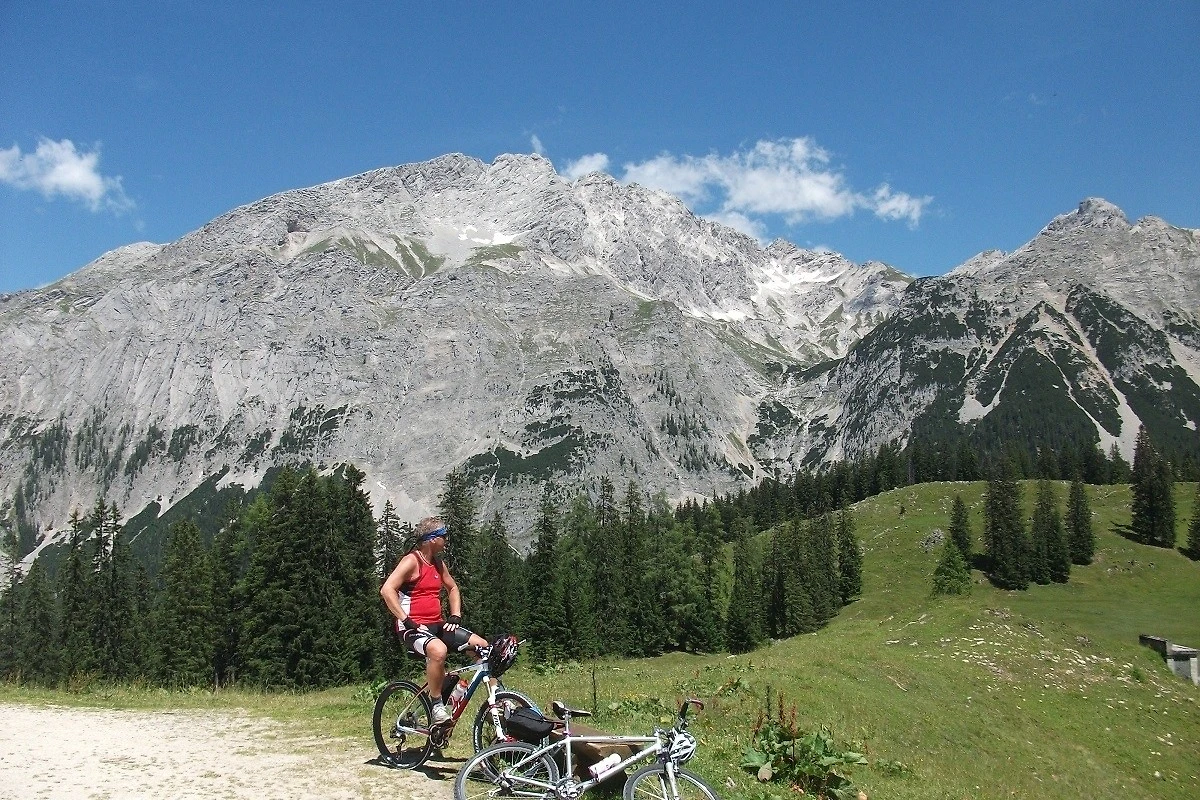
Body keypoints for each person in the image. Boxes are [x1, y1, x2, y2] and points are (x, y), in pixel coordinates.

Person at [381, 516, 488, 724]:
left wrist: (455, 615)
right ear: (432, 539)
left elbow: (453, 588)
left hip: (436, 624)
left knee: (483, 647)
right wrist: (406, 619)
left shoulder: (438, 564)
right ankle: (436, 705)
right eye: (443, 536)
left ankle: (498, 700)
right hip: (412, 627)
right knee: (438, 651)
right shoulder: (411, 561)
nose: (446, 540)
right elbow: (387, 590)